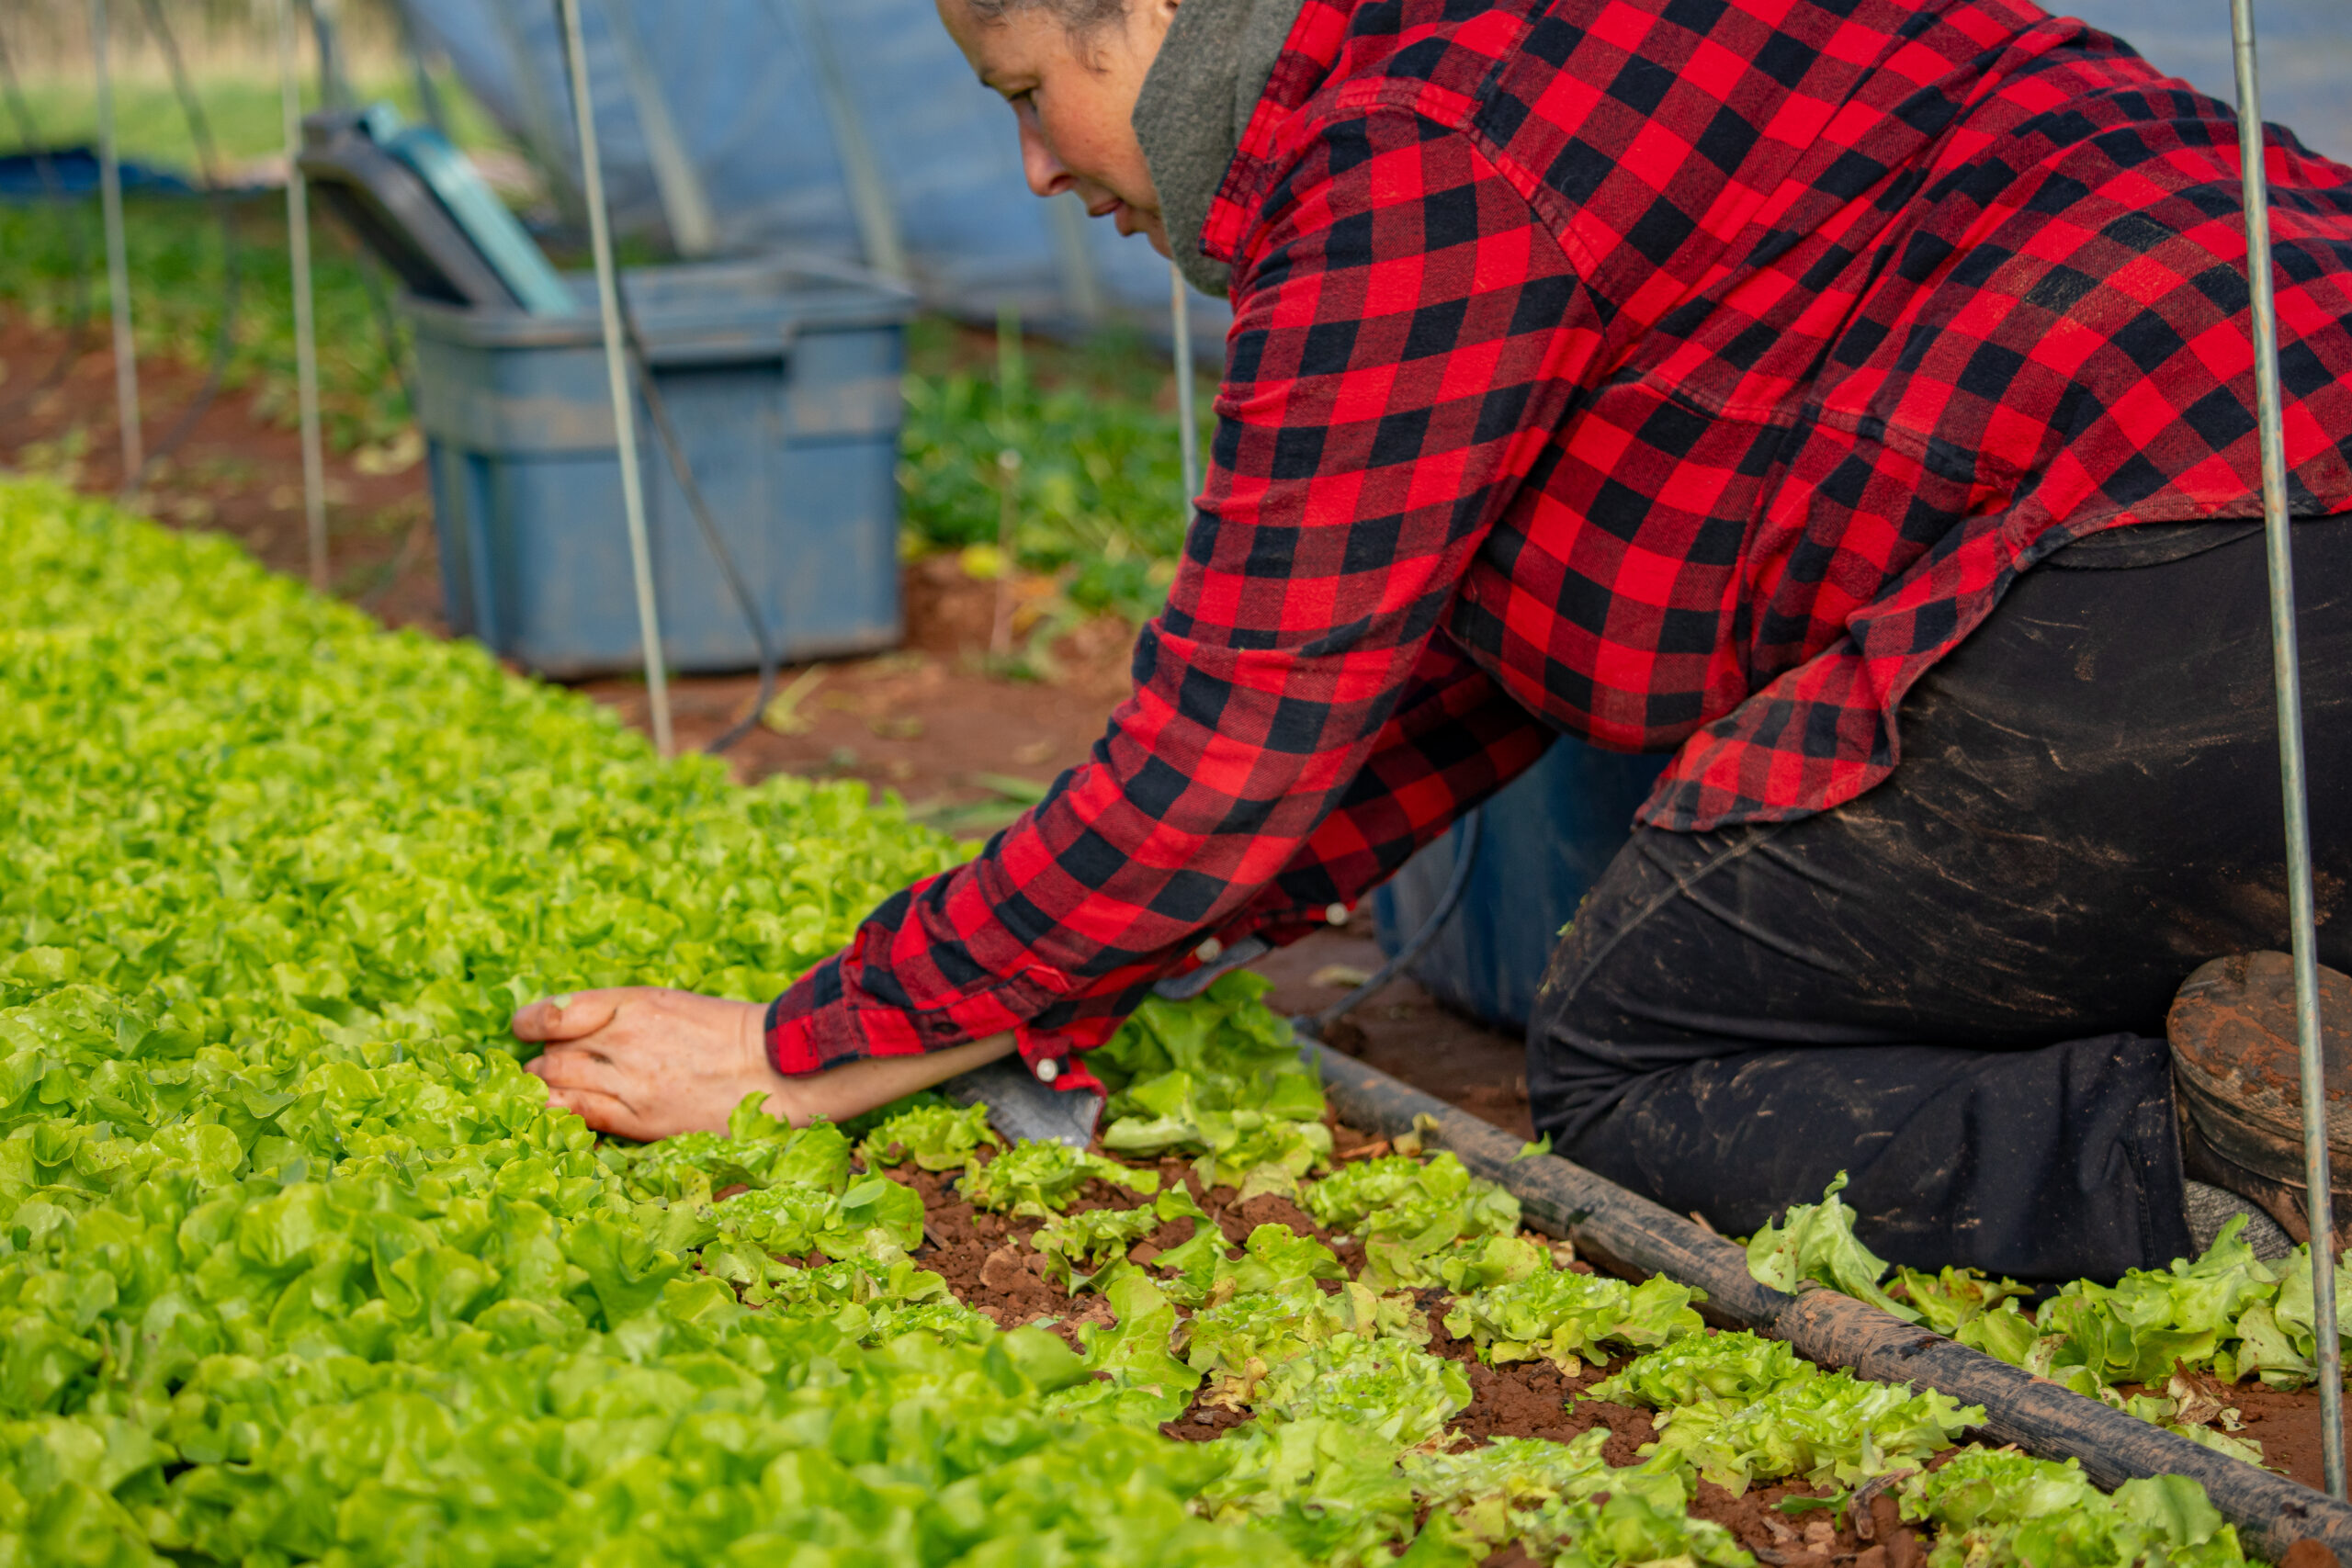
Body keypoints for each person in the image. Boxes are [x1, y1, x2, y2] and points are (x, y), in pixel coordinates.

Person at [514, 0, 2352, 1283]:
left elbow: (1228, 751)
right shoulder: (1509, 49)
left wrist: (784, 1043)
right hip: (2267, 479)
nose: (1028, 171)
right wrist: (1017, 988)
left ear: (1148, 15)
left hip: (2199, 547)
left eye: (1016, 90)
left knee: (1640, 1049)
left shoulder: (1403, 145)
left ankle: (2230, 1162)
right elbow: (1395, 709)